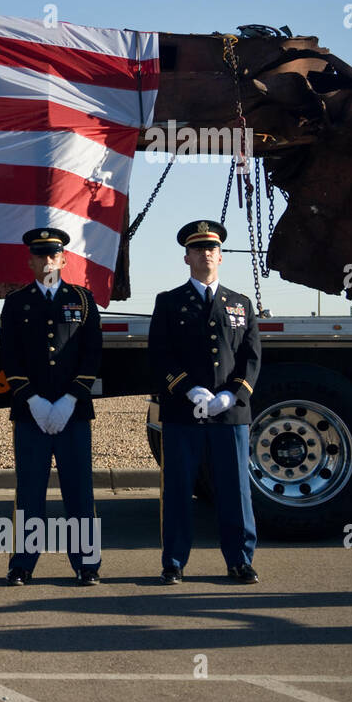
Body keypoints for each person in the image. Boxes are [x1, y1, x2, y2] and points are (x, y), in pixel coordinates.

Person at [149, 221, 261, 585]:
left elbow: (251, 357)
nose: (206, 254)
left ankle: (240, 561)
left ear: (221, 257)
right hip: (185, 411)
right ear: (187, 257)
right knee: (179, 489)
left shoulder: (240, 303)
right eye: (198, 249)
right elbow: (159, 355)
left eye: (212, 249)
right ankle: (174, 562)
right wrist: (188, 390)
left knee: (235, 490)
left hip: (230, 413)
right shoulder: (169, 302)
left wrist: (234, 393)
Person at [0, 228, 102, 587]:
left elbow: (91, 356)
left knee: (79, 490)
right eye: (39, 255)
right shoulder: (15, 303)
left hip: (73, 413)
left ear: (63, 259)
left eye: (52, 255)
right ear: (30, 261)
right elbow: (10, 358)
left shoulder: (83, 300)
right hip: (32, 414)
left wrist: (71, 398)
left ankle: (87, 564)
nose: (46, 261)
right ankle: (22, 564)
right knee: (29, 491)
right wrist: (35, 401)